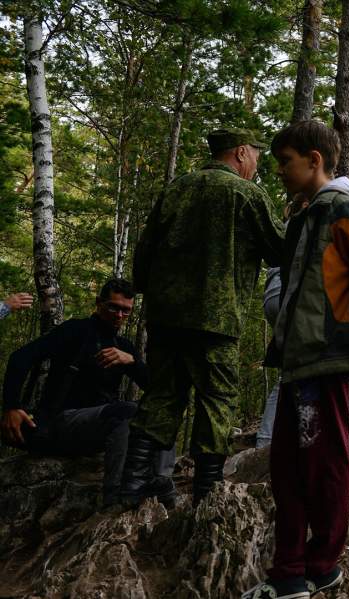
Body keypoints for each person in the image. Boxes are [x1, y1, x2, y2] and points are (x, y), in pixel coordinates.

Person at [241, 120, 349, 599]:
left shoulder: (339, 207)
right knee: (288, 468)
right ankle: (290, 574)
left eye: (285, 162)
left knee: (323, 462)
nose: (279, 171)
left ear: (314, 160)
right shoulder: (308, 215)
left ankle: (323, 565)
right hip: (301, 362)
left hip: (328, 359)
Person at [123, 127, 285, 508]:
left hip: (165, 319)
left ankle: (129, 489)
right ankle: (206, 493)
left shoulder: (177, 188)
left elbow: (143, 254)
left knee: (161, 396)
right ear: (242, 152)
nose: (257, 165)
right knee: (217, 400)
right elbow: (280, 250)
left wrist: (150, 290)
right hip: (217, 321)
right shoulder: (246, 195)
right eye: (257, 157)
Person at [0, 279, 174, 506]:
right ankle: (116, 497)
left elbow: (158, 389)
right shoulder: (75, 330)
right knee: (126, 411)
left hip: (102, 429)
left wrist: (131, 361)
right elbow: (20, 358)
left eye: (126, 311)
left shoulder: (124, 346)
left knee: (162, 409)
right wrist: (12, 407)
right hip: (61, 421)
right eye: (113, 307)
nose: (119, 315)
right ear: (98, 303)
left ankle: (162, 483)